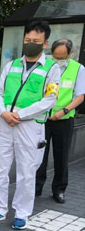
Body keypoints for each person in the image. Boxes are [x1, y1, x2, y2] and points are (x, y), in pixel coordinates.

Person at [0, 20, 60, 230]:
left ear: (45, 43)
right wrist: (3, 112)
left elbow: (49, 100)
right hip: (5, 123)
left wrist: (19, 114)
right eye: (28, 40)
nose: (30, 43)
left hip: (29, 126)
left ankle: (22, 212)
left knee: (27, 171)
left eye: (36, 41)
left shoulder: (51, 69)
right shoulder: (11, 66)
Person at [36, 39, 85, 203]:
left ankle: (59, 189)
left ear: (70, 54)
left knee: (61, 156)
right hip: (42, 118)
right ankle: (36, 188)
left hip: (64, 119)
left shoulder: (78, 69)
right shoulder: (45, 66)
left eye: (62, 57)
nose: (58, 60)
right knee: (39, 155)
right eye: (55, 56)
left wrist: (64, 111)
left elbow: (80, 96)